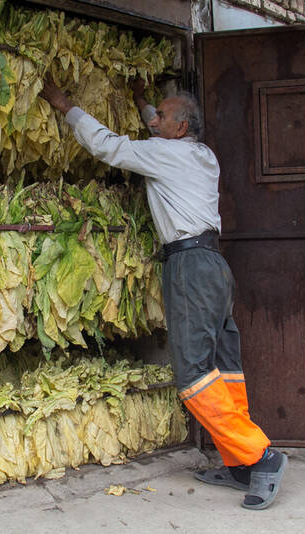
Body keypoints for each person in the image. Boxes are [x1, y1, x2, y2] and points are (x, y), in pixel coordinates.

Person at [40, 77, 288, 510]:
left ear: (181, 126)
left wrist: (65, 106)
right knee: (223, 366)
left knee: (192, 374)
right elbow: (159, 130)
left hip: (190, 266)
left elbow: (108, 147)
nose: (152, 121)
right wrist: (140, 101)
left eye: (160, 115)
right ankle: (239, 465)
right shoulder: (200, 154)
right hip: (214, 265)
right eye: (151, 113)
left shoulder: (167, 154)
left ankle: (260, 456)